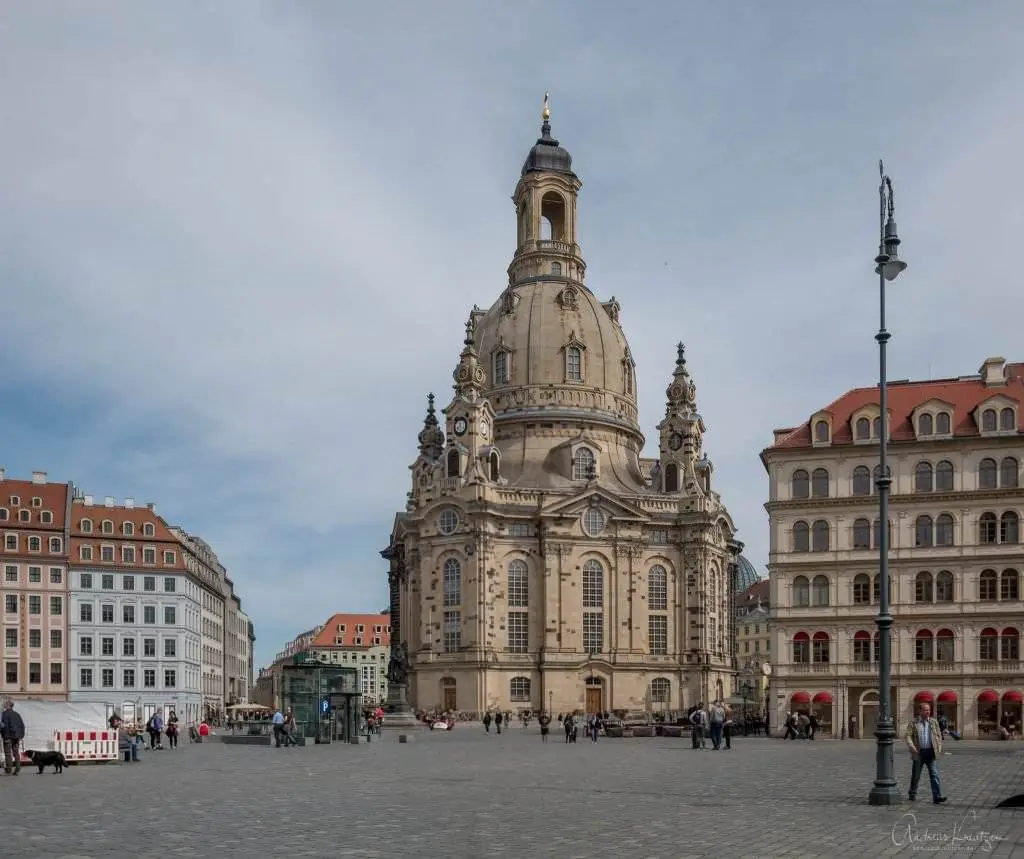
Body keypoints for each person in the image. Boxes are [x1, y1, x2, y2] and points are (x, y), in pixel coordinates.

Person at [905, 702, 947, 805]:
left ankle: (937, 796)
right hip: (918, 752)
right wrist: (912, 747)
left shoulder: (933, 722)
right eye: (925, 710)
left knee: (934, 774)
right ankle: (912, 793)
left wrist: (939, 746)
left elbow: (938, 735)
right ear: (920, 711)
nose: (928, 712)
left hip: (931, 752)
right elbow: (908, 735)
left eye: (929, 710)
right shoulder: (914, 722)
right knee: (916, 775)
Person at [1, 699, 26, 775]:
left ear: (8, 705)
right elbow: (22, 726)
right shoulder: (17, 714)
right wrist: (21, 735)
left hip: (8, 736)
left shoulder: (4, 714)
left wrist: (5, 736)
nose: (3, 705)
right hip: (16, 737)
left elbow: (4, 726)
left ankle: (9, 769)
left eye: (5, 704)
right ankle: (17, 768)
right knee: (16, 752)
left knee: (8, 753)